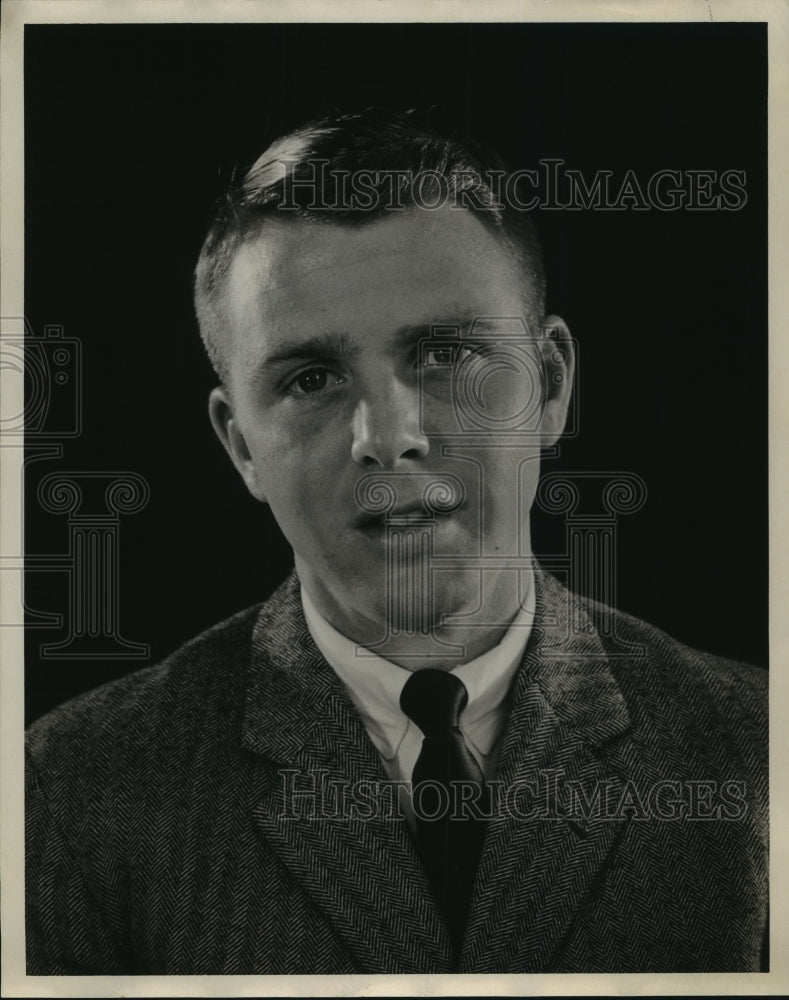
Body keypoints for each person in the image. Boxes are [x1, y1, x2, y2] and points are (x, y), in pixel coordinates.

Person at [25, 109, 767, 975]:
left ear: (550, 385)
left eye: (443, 353)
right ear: (240, 446)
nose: (387, 436)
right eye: (312, 378)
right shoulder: (72, 792)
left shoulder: (758, 756)